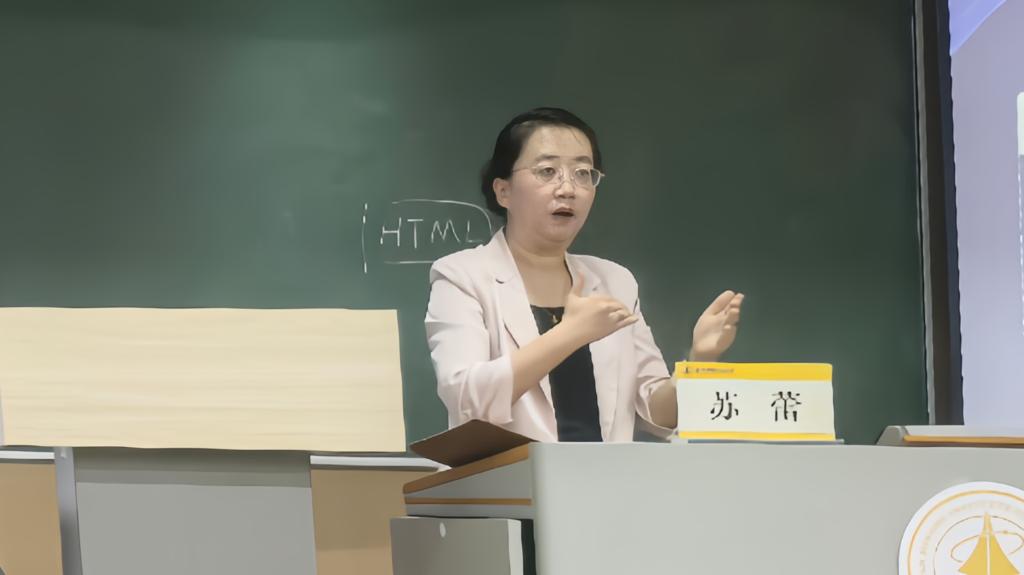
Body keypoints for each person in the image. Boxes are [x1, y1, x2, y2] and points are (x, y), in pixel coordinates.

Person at [425, 107, 744, 442]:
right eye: (547, 171)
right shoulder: (462, 276)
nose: (568, 189)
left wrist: (700, 360)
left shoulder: (616, 281)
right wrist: (570, 333)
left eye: (582, 173)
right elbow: (466, 398)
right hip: (508, 475)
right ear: (503, 191)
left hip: (603, 475)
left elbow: (656, 414)